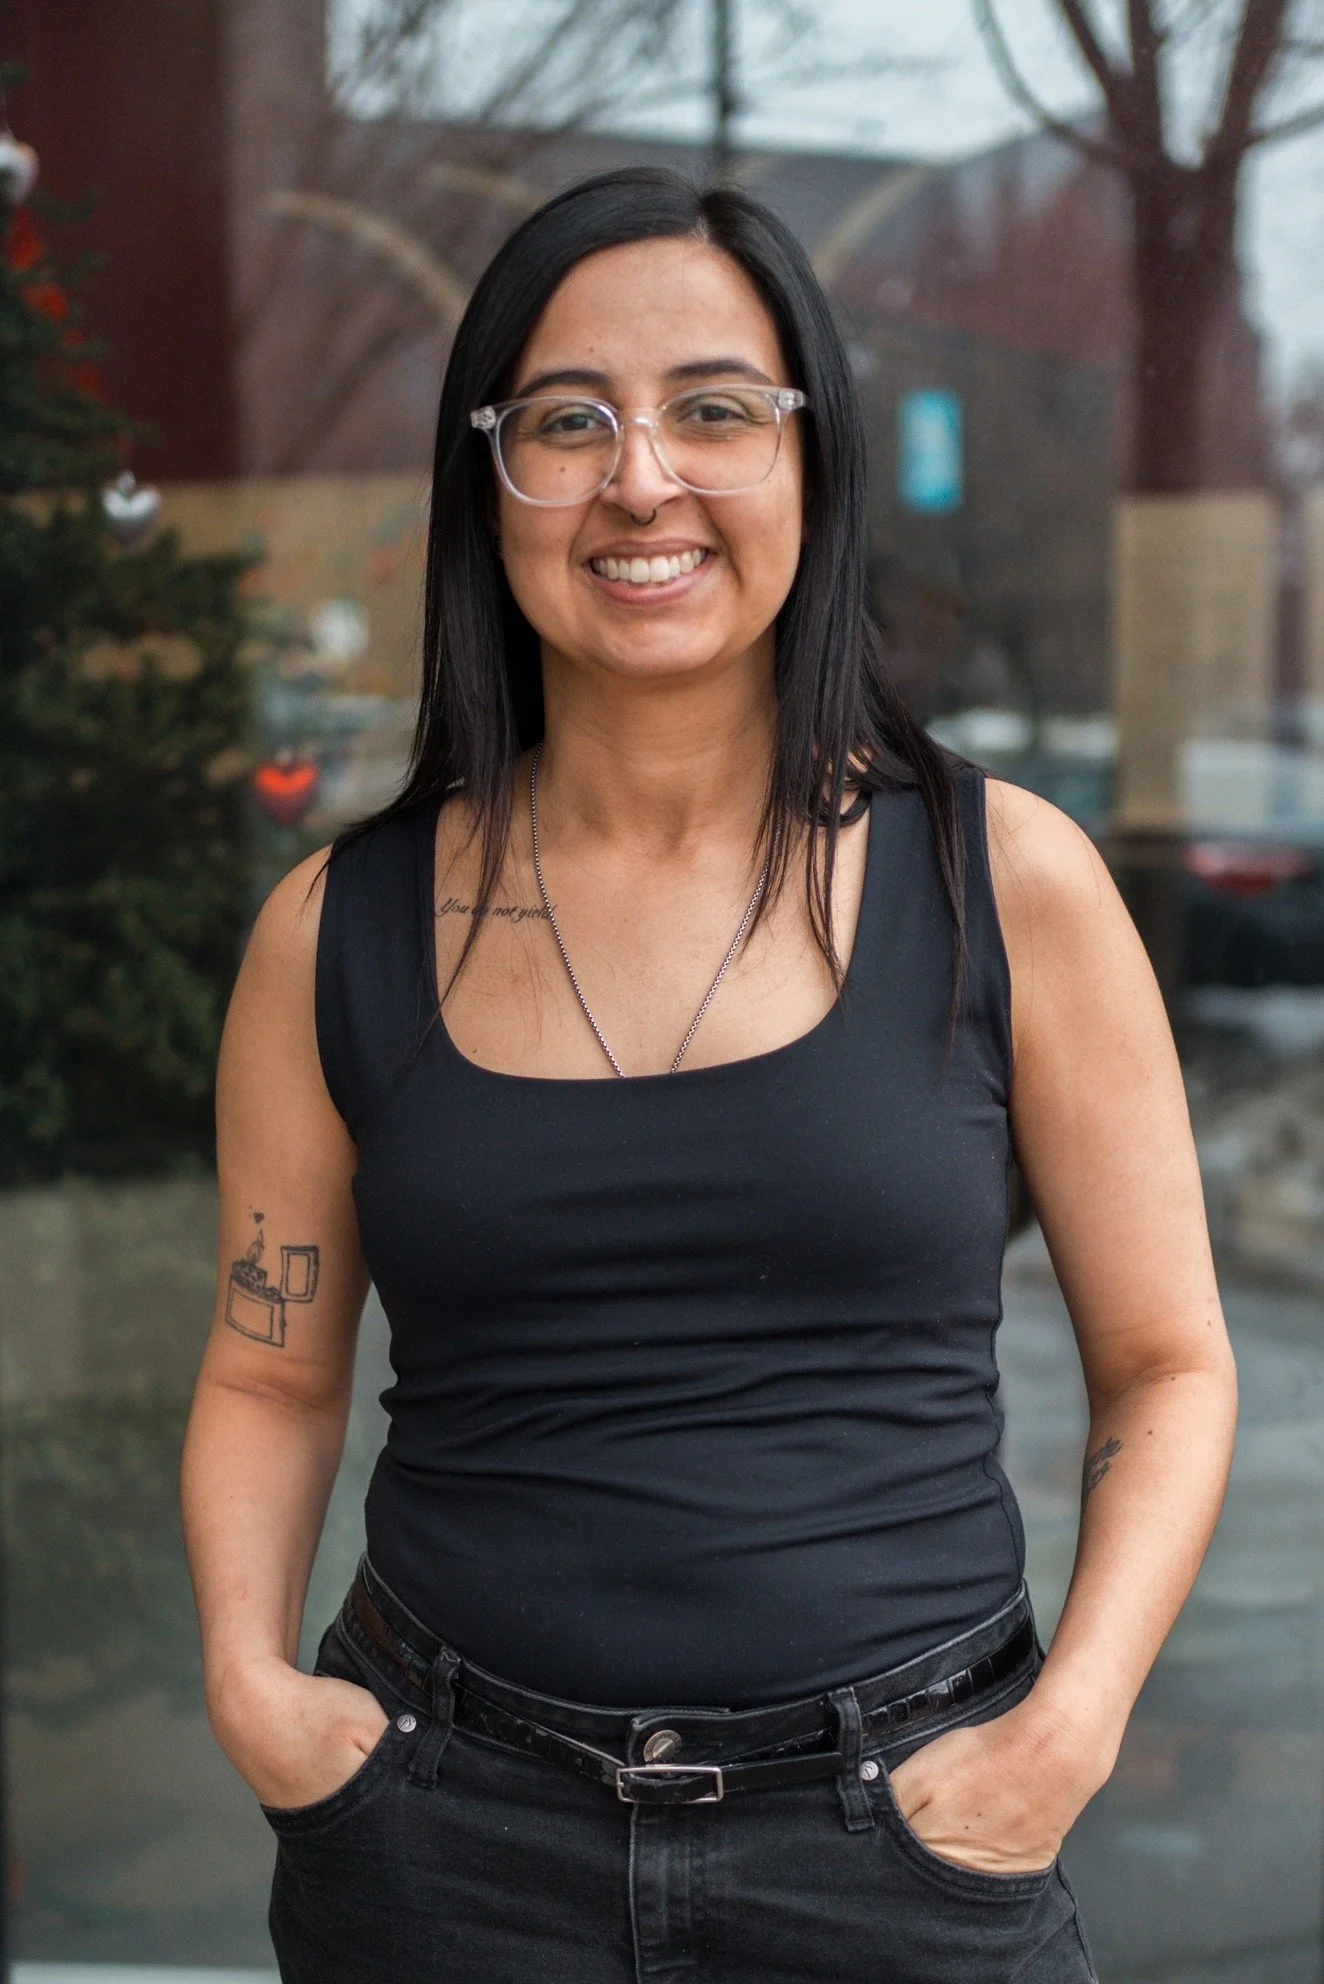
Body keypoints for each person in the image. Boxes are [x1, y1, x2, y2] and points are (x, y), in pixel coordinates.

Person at [181, 168, 1237, 1984]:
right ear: (486, 479)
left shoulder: (1008, 886)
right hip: (444, 1853)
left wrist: (1069, 1734)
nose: (641, 479)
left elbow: (1169, 1364)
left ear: (811, 463)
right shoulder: (331, 931)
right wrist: (254, 1691)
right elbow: (272, 1379)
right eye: (568, 420)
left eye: (715, 410)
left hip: (902, 1844)